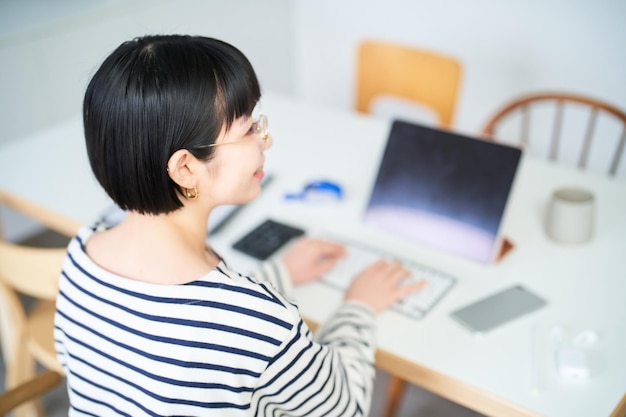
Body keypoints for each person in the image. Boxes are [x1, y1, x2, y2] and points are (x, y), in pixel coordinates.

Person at [54, 34, 423, 416]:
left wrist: (278, 273)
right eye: (249, 130)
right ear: (185, 168)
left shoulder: (82, 254)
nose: (267, 140)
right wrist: (359, 305)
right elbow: (343, 408)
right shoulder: (258, 320)